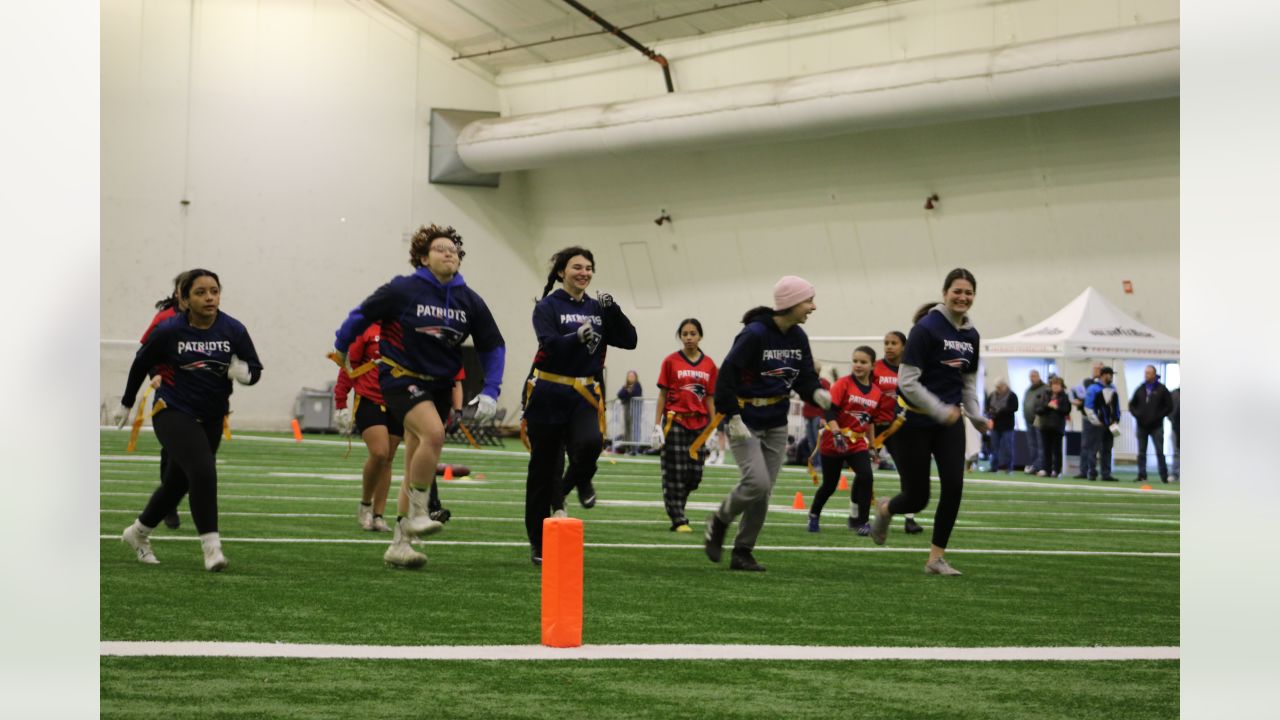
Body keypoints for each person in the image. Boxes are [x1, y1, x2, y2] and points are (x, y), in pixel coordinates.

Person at [334, 224, 505, 568]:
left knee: (415, 462)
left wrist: (490, 391)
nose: (449, 253)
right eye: (440, 249)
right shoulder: (403, 288)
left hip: (439, 386)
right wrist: (342, 345)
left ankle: (399, 545)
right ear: (423, 257)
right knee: (434, 434)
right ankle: (418, 512)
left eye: (454, 249)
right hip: (400, 378)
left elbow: (493, 346)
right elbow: (361, 314)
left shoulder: (469, 300)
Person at [114, 269, 262, 571]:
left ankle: (138, 533)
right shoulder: (169, 330)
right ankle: (212, 549)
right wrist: (127, 403)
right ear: (184, 298)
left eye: (214, 291)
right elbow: (141, 361)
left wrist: (244, 373)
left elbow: (255, 368)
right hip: (172, 410)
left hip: (212, 415)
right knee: (203, 470)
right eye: (200, 292)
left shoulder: (233, 329)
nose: (209, 297)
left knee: (177, 483)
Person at [704, 276, 831, 572]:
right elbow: (727, 376)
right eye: (808, 300)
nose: (812, 307)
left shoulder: (798, 337)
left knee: (764, 490)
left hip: (776, 421)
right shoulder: (755, 334)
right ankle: (719, 520)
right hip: (744, 420)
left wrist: (817, 394)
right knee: (756, 483)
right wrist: (731, 416)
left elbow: (803, 377)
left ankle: (743, 550)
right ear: (789, 303)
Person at [870, 269, 989, 576]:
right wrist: (939, 409)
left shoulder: (971, 335)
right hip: (914, 423)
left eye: (969, 292)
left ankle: (935, 558)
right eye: (957, 291)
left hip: (950, 424)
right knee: (917, 497)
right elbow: (907, 383)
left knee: (954, 485)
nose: (963, 297)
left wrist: (976, 417)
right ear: (945, 292)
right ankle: (885, 509)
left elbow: (967, 383)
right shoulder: (926, 329)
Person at [522, 247, 636, 565]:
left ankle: (580, 480)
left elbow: (629, 340)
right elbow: (549, 343)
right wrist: (576, 336)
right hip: (547, 394)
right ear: (561, 273)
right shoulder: (547, 307)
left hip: (584, 395)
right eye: (576, 267)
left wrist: (613, 311)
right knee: (542, 472)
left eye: (588, 268)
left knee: (590, 443)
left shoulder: (597, 308)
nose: (583, 273)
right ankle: (538, 544)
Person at [808, 346, 895, 534]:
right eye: (855, 361)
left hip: (857, 443)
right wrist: (837, 433)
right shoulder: (843, 384)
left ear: (872, 365)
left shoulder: (876, 392)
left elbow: (870, 421)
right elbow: (829, 411)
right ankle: (814, 514)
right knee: (830, 485)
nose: (858, 365)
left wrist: (872, 446)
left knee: (866, 477)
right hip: (835, 440)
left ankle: (861, 522)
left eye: (863, 362)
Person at [651, 318, 718, 532]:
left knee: (694, 476)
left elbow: (709, 397)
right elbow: (662, 395)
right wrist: (656, 426)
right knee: (675, 473)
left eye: (693, 333)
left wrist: (714, 426)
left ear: (700, 336)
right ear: (680, 336)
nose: (689, 337)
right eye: (685, 334)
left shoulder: (709, 365)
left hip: (699, 425)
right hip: (676, 422)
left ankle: (679, 506)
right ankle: (678, 517)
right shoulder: (670, 362)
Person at [138, 271, 191, 531]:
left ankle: (178, 494)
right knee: (171, 449)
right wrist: (155, 374)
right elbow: (145, 352)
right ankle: (169, 503)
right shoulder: (165, 319)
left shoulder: (214, 321)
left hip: (201, 398)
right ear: (180, 293)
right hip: (170, 394)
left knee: (200, 455)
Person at [872, 330, 922, 534]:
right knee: (865, 472)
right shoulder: (875, 368)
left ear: (904, 346)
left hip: (899, 426)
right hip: (874, 426)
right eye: (886, 343)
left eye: (894, 343)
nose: (889, 346)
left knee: (907, 471)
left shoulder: (910, 369)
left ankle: (910, 518)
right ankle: (856, 515)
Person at [1128, 365, 1173, 483]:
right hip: (1142, 426)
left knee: (1159, 451)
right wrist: (1138, 415)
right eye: (1145, 373)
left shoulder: (1162, 389)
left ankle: (1164, 476)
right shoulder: (1141, 389)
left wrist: (1158, 416)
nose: (1146, 375)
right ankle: (1141, 475)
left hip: (1156, 426)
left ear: (1154, 374)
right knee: (1141, 452)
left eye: (1148, 373)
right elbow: (1132, 405)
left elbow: (1169, 406)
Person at [1083, 366, 1122, 481]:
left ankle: (1106, 474)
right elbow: (1088, 407)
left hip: (1111, 424)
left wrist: (1116, 419)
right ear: (1104, 375)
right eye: (1109, 374)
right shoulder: (1093, 388)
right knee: (1094, 449)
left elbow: (1116, 406)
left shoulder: (1114, 388)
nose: (1111, 377)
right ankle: (1092, 473)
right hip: (1098, 424)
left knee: (1107, 449)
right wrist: (1096, 421)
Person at [1034, 375, 1071, 477]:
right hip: (1044, 426)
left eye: (1058, 384)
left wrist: (1057, 407)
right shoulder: (1044, 395)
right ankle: (1046, 469)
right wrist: (1048, 406)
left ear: (1062, 386)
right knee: (1046, 449)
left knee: (1057, 450)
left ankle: (1056, 470)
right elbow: (1038, 410)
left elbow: (1066, 410)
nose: (1055, 386)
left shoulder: (1065, 397)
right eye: (1054, 384)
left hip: (1057, 427)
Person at [1072, 361, 1104, 479]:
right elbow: (1077, 396)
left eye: (1100, 369)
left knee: (1097, 446)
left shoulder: (1105, 384)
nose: (1097, 371)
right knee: (1085, 445)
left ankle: (1094, 471)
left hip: (1101, 419)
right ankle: (1083, 471)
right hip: (1087, 417)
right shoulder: (1085, 382)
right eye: (1096, 369)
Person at [984, 378, 1018, 473]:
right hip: (995, 426)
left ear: (1005, 386)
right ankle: (994, 467)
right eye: (996, 387)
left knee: (1008, 447)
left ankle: (1009, 468)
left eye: (999, 387)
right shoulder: (992, 395)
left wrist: (1000, 411)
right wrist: (990, 414)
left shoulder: (1012, 395)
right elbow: (987, 408)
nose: (997, 389)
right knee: (994, 447)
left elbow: (1014, 408)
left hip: (1008, 426)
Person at [800, 362, 830, 459]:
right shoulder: (807, 381)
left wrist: (823, 417)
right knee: (811, 441)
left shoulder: (824, 383)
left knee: (818, 442)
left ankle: (820, 464)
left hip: (818, 416)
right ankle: (814, 463)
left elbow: (827, 402)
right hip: (808, 415)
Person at [1023, 370, 1048, 474]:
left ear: (1038, 376)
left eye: (1033, 376)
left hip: (1039, 421)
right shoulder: (1029, 389)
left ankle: (1041, 466)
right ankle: (1034, 465)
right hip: (1029, 421)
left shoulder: (1045, 388)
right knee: (1032, 445)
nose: (1031, 378)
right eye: (1030, 376)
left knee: (1040, 445)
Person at [616, 370, 644, 454]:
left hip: (635, 411)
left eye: (632, 376)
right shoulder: (625, 386)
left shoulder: (638, 385)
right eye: (629, 376)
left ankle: (634, 448)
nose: (631, 377)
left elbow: (636, 393)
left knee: (634, 428)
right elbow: (620, 394)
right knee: (627, 428)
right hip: (627, 411)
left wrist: (628, 393)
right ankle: (627, 447)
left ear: (636, 378)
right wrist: (628, 391)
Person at [1169, 386, 1180, 482]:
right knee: (1176, 451)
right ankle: (1175, 474)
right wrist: (1172, 419)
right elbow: (1169, 408)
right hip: (1176, 427)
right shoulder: (1175, 393)